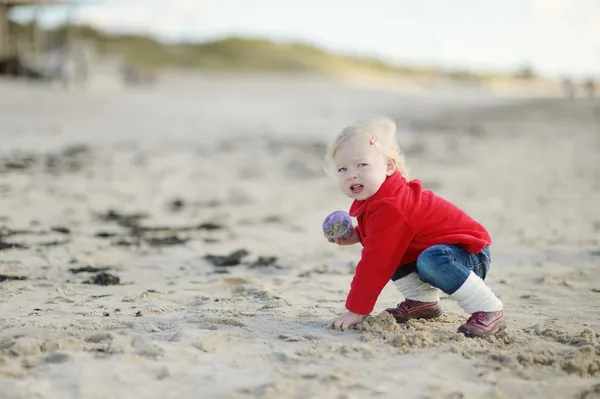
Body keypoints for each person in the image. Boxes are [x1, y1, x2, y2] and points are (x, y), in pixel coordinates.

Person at [324, 116, 505, 337]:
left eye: (362, 164)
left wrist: (355, 311)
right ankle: (423, 302)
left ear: (389, 166)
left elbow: (376, 262)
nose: (351, 173)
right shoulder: (378, 198)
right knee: (397, 250)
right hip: (442, 253)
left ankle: (488, 307)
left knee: (419, 258)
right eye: (342, 169)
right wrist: (357, 235)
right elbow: (381, 236)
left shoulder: (392, 205)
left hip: (470, 256)